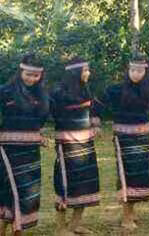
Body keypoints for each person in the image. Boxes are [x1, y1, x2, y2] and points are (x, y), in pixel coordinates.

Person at [95, 56, 149, 230]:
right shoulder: (115, 90)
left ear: (145, 72)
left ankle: (131, 211)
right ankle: (125, 216)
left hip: (143, 138)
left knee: (141, 174)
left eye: (139, 71)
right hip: (123, 139)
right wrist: (96, 122)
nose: (135, 74)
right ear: (128, 70)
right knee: (126, 174)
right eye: (132, 70)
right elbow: (98, 104)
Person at [50, 57, 102, 236]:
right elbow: (48, 112)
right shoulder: (58, 91)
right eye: (85, 70)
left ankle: (75, 224)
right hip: (67, 145)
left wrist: (95, 123)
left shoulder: (85, 89)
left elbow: (92, 109)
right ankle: (60, 228)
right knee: (66, 184)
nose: (88, 73)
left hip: (86, 144)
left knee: (86, 182)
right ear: (75, 72)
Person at [0, 54, 50, 235]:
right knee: (8, 190)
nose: (31, 79)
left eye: (35, 76)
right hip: (8, 151)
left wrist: (39, 135)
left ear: (41, 76)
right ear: (21, 71)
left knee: (27, 193)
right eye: (28, 74)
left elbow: (39, 121)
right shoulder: (4, 91)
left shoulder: (42, 95)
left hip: (31, 152)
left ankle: (18, 231)